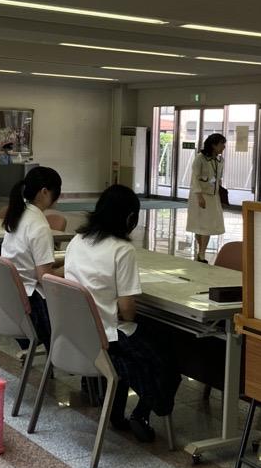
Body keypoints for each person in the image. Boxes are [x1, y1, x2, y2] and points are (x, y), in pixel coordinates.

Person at [65, 184, 180, 442]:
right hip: (108, 338)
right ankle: (142, 412)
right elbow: (128, 311)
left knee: (143, 346)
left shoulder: (77, 241)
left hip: (78, 336)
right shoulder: (122, 249)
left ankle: (118, 414)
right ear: (130, 218)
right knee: (167, 356)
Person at [1, 167, 63, 351]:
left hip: (11, 302)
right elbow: (45, 278)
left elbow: (28, 261)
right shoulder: (39, 225)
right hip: (33, 309)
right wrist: (68, 269)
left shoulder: (18, 214)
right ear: (44, 192)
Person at [186, 133, 227, 263]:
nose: (224, 147)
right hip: (199, 195)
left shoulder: (220, 161)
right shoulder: (200, 158)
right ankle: (201, 251)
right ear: (213, 145)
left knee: (208, 225)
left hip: (213, 196)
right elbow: (195, 178)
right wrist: (199, 196)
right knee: (199, 225)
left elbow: (218, 178)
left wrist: (220, 193)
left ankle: (202, 253)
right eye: (221, 144)